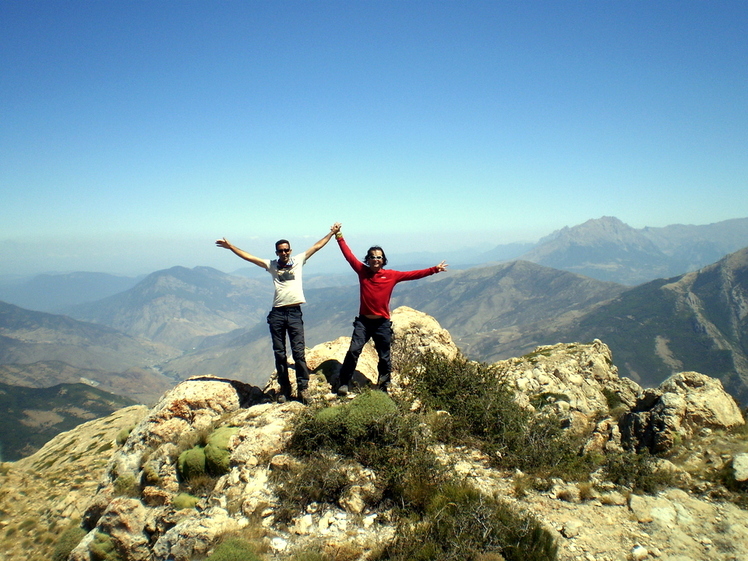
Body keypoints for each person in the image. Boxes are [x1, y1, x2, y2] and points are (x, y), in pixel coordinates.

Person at [215, 224, 339, 403]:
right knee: (279, 353)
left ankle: (303, 389)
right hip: (278, 314)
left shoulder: (298, 261)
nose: (284, 253)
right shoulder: (271, 265)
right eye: (280, 251)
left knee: (298, 353)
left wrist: (332, 233)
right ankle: (285, 390)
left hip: (295, 313)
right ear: (276, 252)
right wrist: (231, 247)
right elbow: (249, 257)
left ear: (290, 250)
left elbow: (317, 246)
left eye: (286, 250)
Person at [334, 226, 448, 395]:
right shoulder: (362, 271)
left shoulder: (391, 275)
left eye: (379, 257)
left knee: (384, 356)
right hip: (364, 322)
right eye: (372, 257)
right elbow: (349, 256)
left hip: (382, 323)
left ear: (383, 259)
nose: (375, 259)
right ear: (368, 259)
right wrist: (339, 236)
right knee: (353, 351)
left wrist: (434, 269)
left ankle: (383, 386)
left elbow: (413, 274)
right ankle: (344, 383)